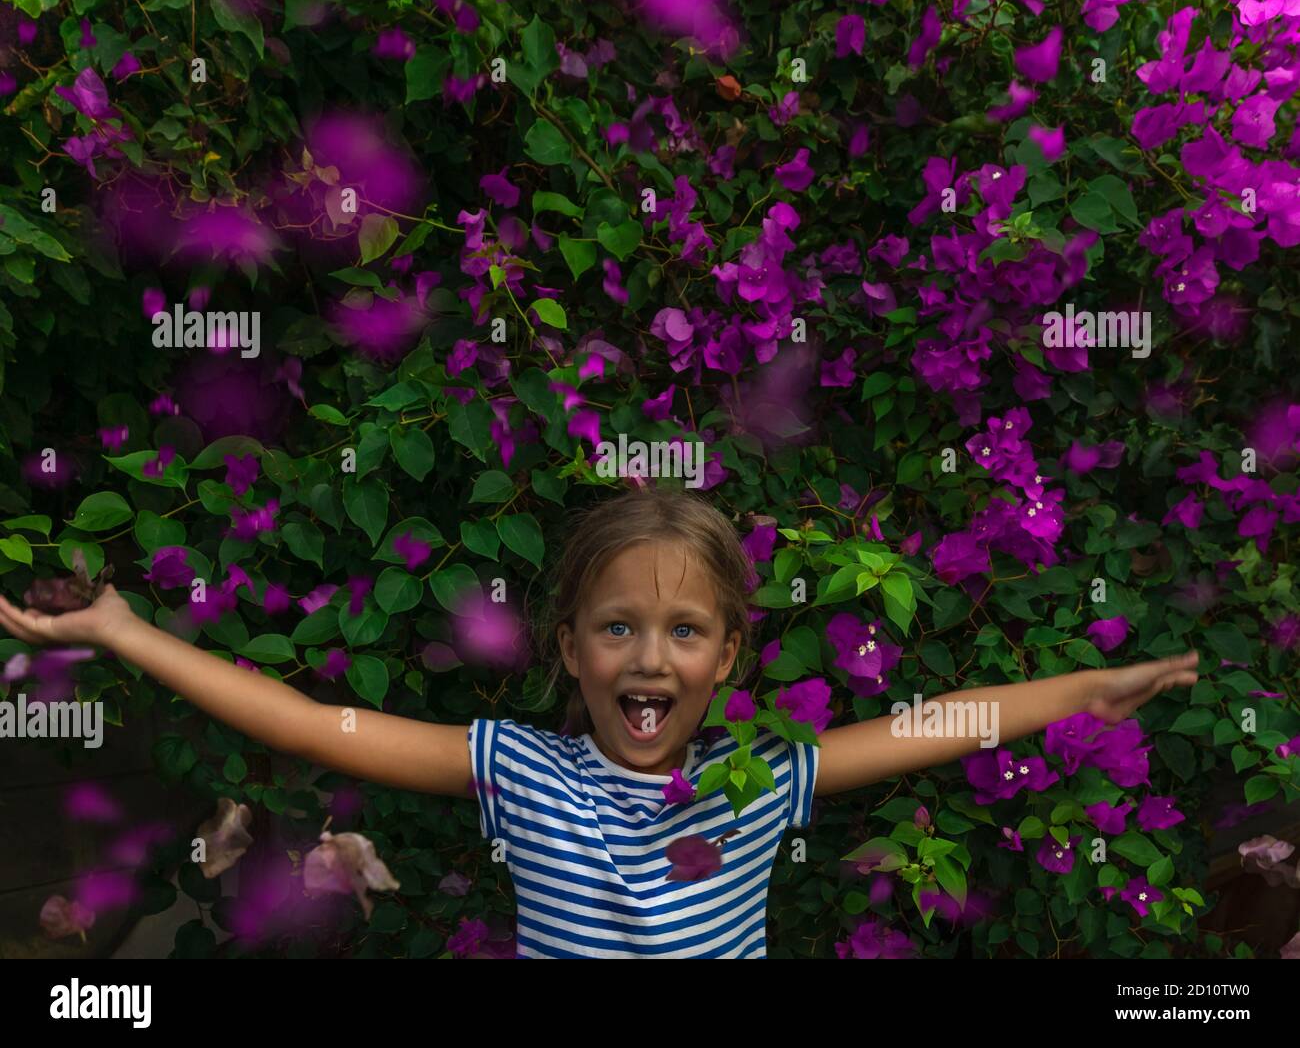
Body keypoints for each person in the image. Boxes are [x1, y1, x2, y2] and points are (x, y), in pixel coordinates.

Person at [0, 485, 1200, 958]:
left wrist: (1089, 692)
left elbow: (949, 720)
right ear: (568, 647)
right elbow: (317, 726)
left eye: (685, 632)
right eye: (617, 627)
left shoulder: (759, 778)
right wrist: (122, 631)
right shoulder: (517, 766)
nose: (648, 656)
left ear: (729, 656)